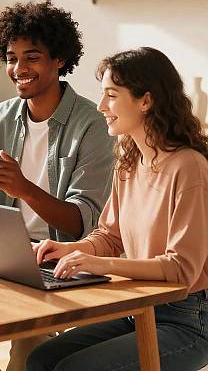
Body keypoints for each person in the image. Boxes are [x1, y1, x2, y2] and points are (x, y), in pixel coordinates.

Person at [0, 0, 114, 371]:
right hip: (1, 254)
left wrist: (25, 189)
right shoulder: (2, 116)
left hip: (60, 260)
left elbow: (82, 221)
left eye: (31, 57)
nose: (19, 69)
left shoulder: (92, 125)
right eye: (11, 57)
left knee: (29, 351)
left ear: (60, 60)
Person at [27, 47, 208, 371]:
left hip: (188, 320)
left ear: (146, 101)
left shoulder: (188, 167)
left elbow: (182, 269)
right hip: (136, 307)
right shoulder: (129, 160)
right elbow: (110, 236)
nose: (101, 107)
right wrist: (69, 249)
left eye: (111, 95)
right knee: (41, 358)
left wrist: (98, 264)